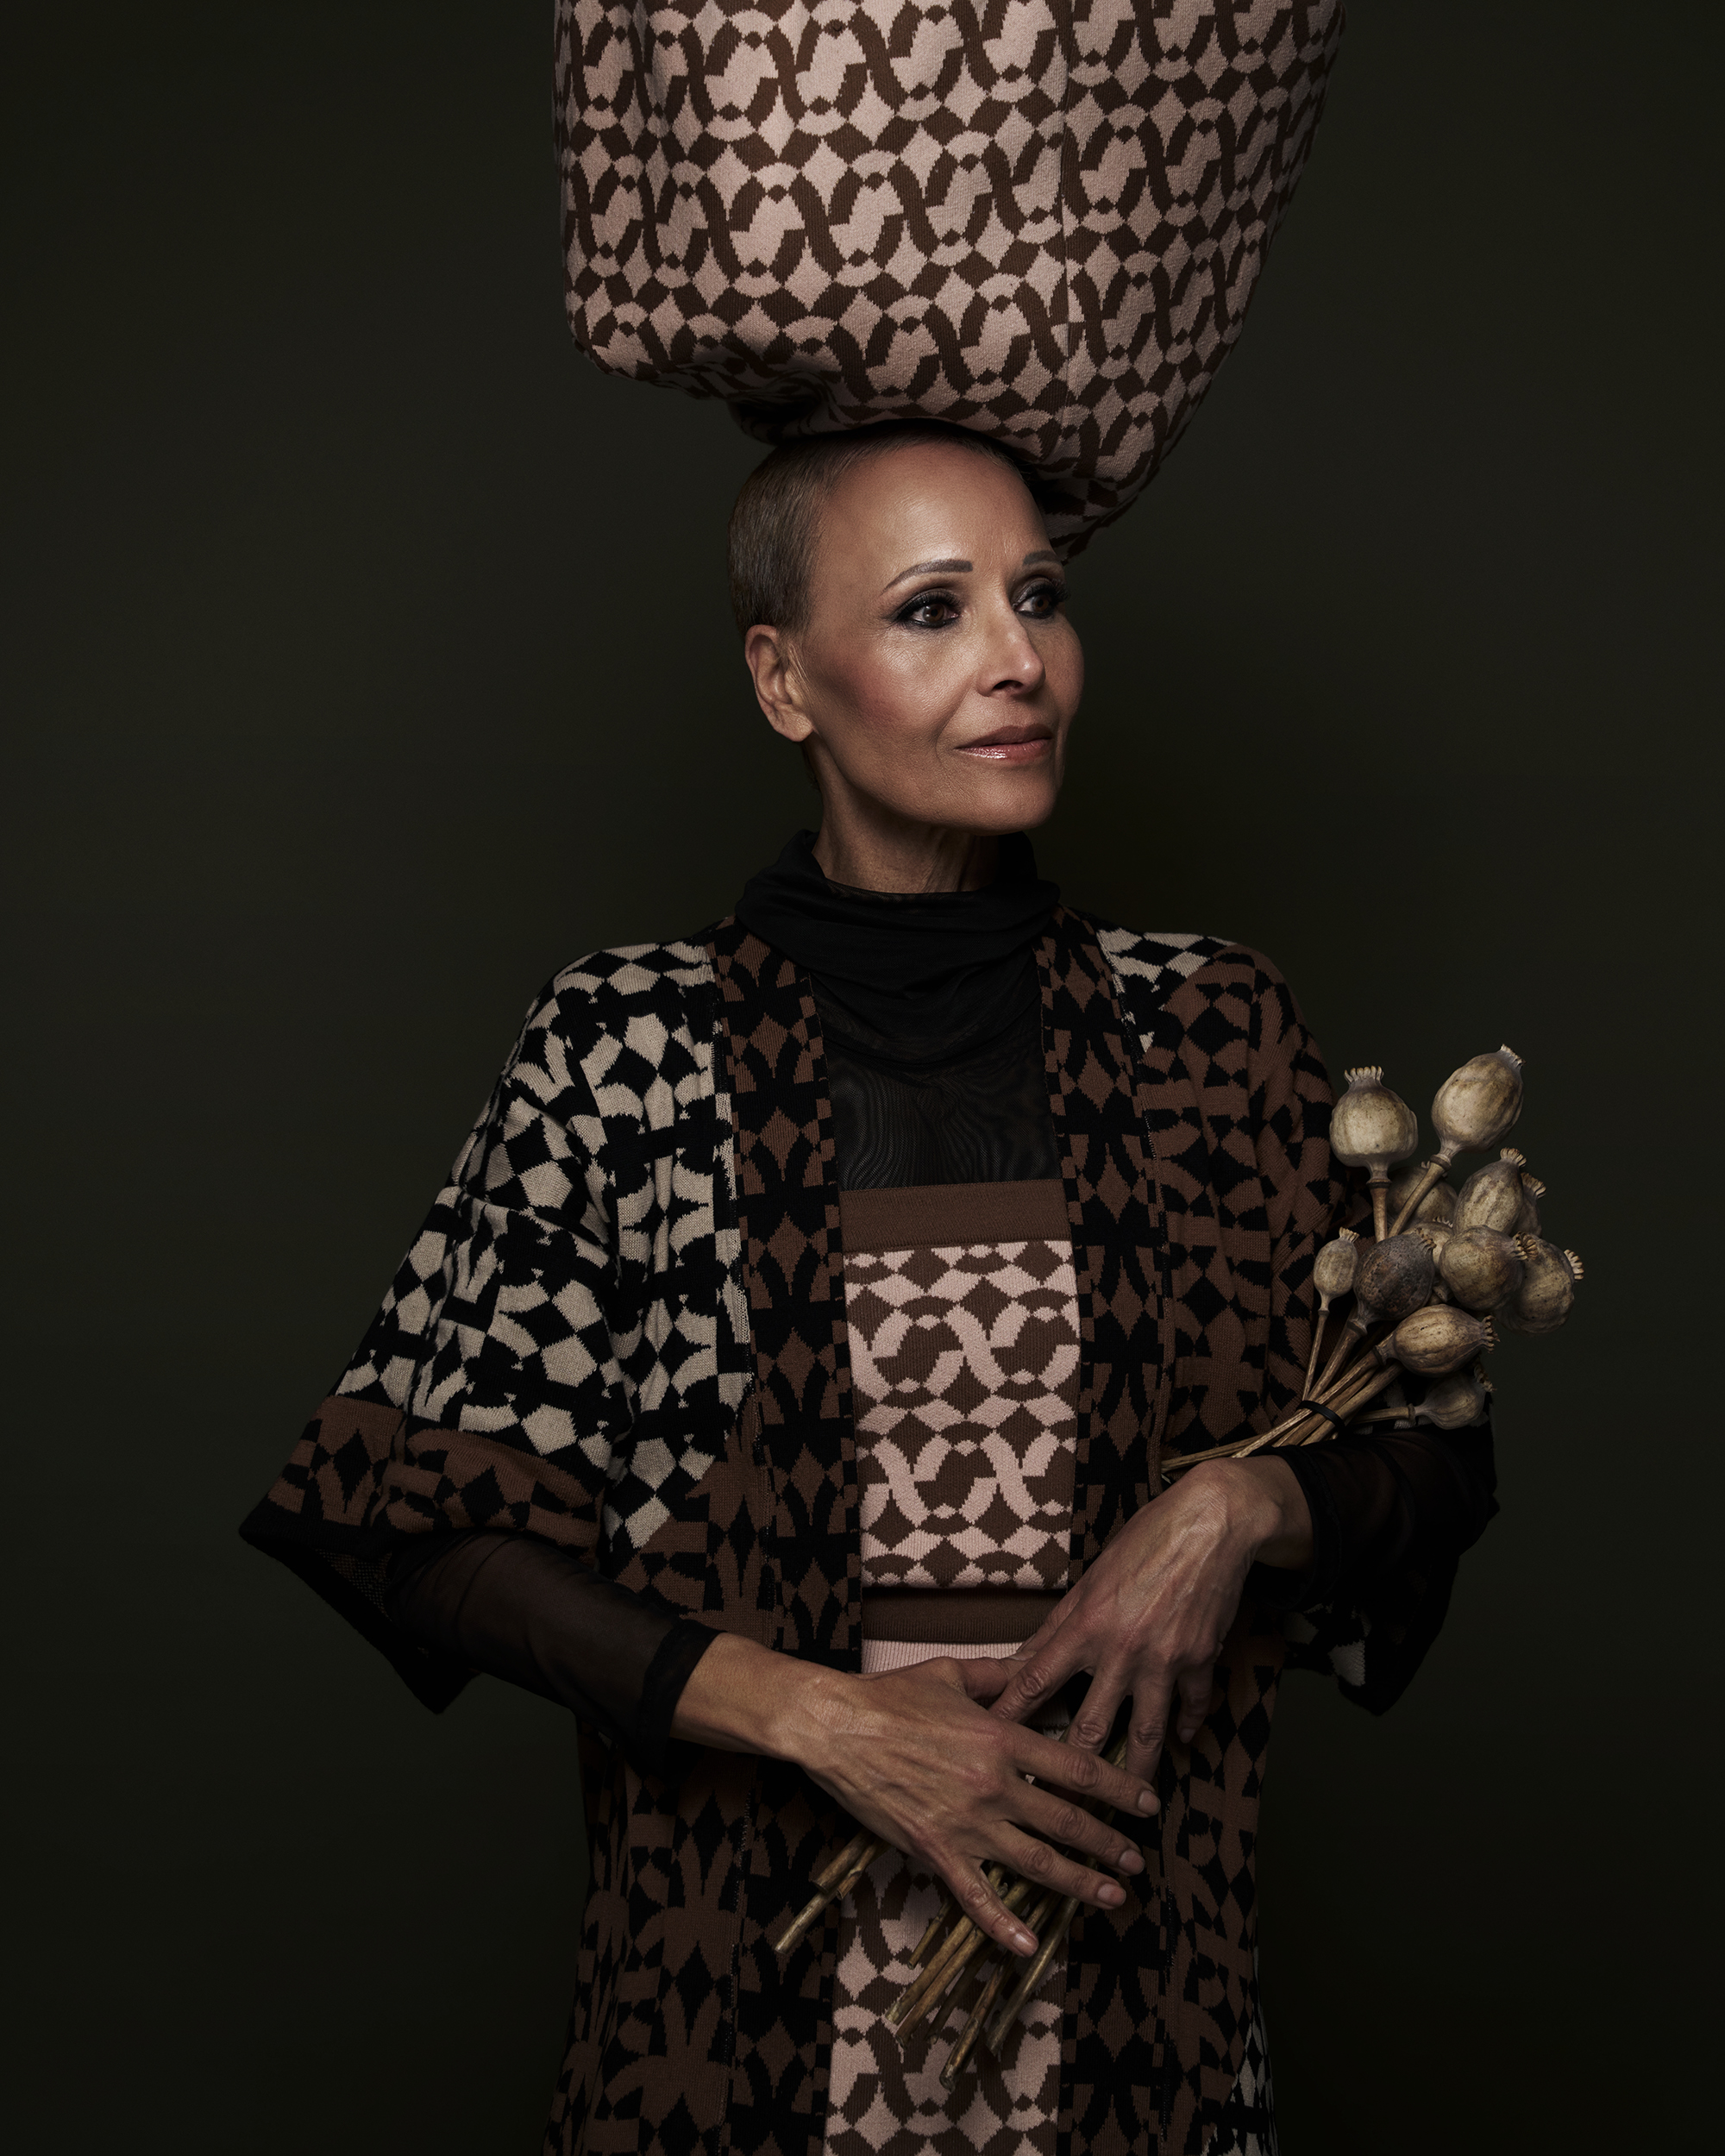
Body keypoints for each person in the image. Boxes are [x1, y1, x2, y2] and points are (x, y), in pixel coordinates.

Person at [242, 420, 1496, 2156]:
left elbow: (1431, 1452)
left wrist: (1235, 1505)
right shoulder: (629, 1048)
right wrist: (824, 1720)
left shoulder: (1206, 1028)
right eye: (930, 608)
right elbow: (418, 1521)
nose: (1017, 658)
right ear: (784, 680)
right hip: (730, 2003)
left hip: (1136, 2006)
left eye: (1038, 596)